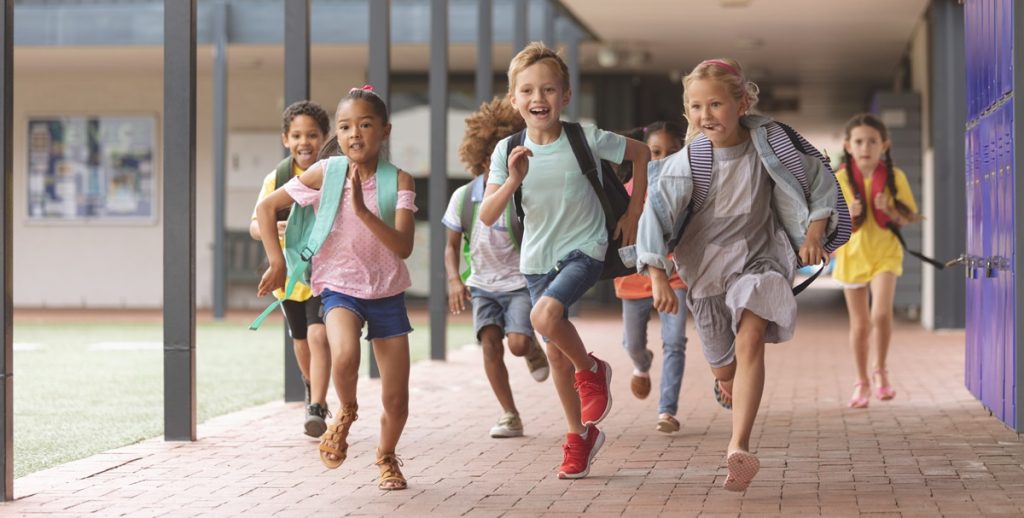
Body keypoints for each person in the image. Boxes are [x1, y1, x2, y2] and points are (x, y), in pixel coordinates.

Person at [635, 58, 850, 491]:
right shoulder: (687, 161)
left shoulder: (772, 145)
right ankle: (727, 382)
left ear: (742, 102)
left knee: (751, 338)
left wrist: (813, 232)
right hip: (706, 273)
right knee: (725, 369)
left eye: (715, 104)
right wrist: (657, 274)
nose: (705, 115)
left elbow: (820, 179)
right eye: (696, 107)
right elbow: (654, 214)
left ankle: (739, 446)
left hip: (761, 259)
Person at [481, 42, 651, 479]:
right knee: (555, 354)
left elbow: (641, 153)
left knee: (544, 315)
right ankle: (579, 436)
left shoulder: (585, 137)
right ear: (515, 99)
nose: (539, 99)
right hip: (537, 258)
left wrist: (633, 212)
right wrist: (513, 179)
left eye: (549, 90)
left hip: (586, 247)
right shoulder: (507, 151)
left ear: (566, 95)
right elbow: (487, 213)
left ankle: (593, 370)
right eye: (528, 91)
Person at [255, 86, 416, 491]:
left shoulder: (398, 180)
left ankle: (386, 457)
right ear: (338, 136)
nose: (354, 134)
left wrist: (362, 211)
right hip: (339, 289)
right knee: (344, 354)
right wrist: (277, 261)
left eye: (365, 125)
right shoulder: (327, 173)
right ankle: (345, 411)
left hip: (387, 294)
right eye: (345, 127)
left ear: (385, 131)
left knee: (397, 400)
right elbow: (265, 207)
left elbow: (404, 246)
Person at [443, 97, 550, 439]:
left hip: (519, 283)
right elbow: (449, 247)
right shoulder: (463, 198)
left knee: (516, 343)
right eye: (490, 158)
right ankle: (509, 413)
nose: (496, 164)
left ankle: (531, 348)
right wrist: (454, 281)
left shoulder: (522, 195)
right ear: (480, 158)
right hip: (482, 285)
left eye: (503, 156)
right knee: (490, 343)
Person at [248, 100, 331, 438]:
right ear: (286, 139)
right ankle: (312, 385)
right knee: (300, 340)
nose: (304, 142)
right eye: (297, 135)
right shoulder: (278, 178)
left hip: (324, 272)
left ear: (324, 137)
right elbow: (256, 223)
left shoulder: (331, 173)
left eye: (312, 134)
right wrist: (272, 230)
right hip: (288, 277)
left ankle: (317, 405)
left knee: (318, 333)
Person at [833, 113, 921, 409]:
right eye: (859, 141)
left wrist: (891, 208)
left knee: (881, 315)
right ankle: (862, 382)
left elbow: (909, 217)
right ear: (848, 145)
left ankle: (880, 369)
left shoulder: (896, 178)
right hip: (852, 255)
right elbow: (830, 223)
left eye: (872, 141)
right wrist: (850, 212)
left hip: (885, 251)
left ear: (885, 144)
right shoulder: (840, 178)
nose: (865, 147)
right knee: (859, 325)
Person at [613, 121, 689, 434]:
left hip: (674, 273)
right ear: (642, 155)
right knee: (633, 343)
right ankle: (641, 364)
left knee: (675, 342)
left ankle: (667, 410)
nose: (663, 159)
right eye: (655, 152)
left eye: (672, 152)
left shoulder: (688, 187)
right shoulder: (627, 190)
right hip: (632, 275)